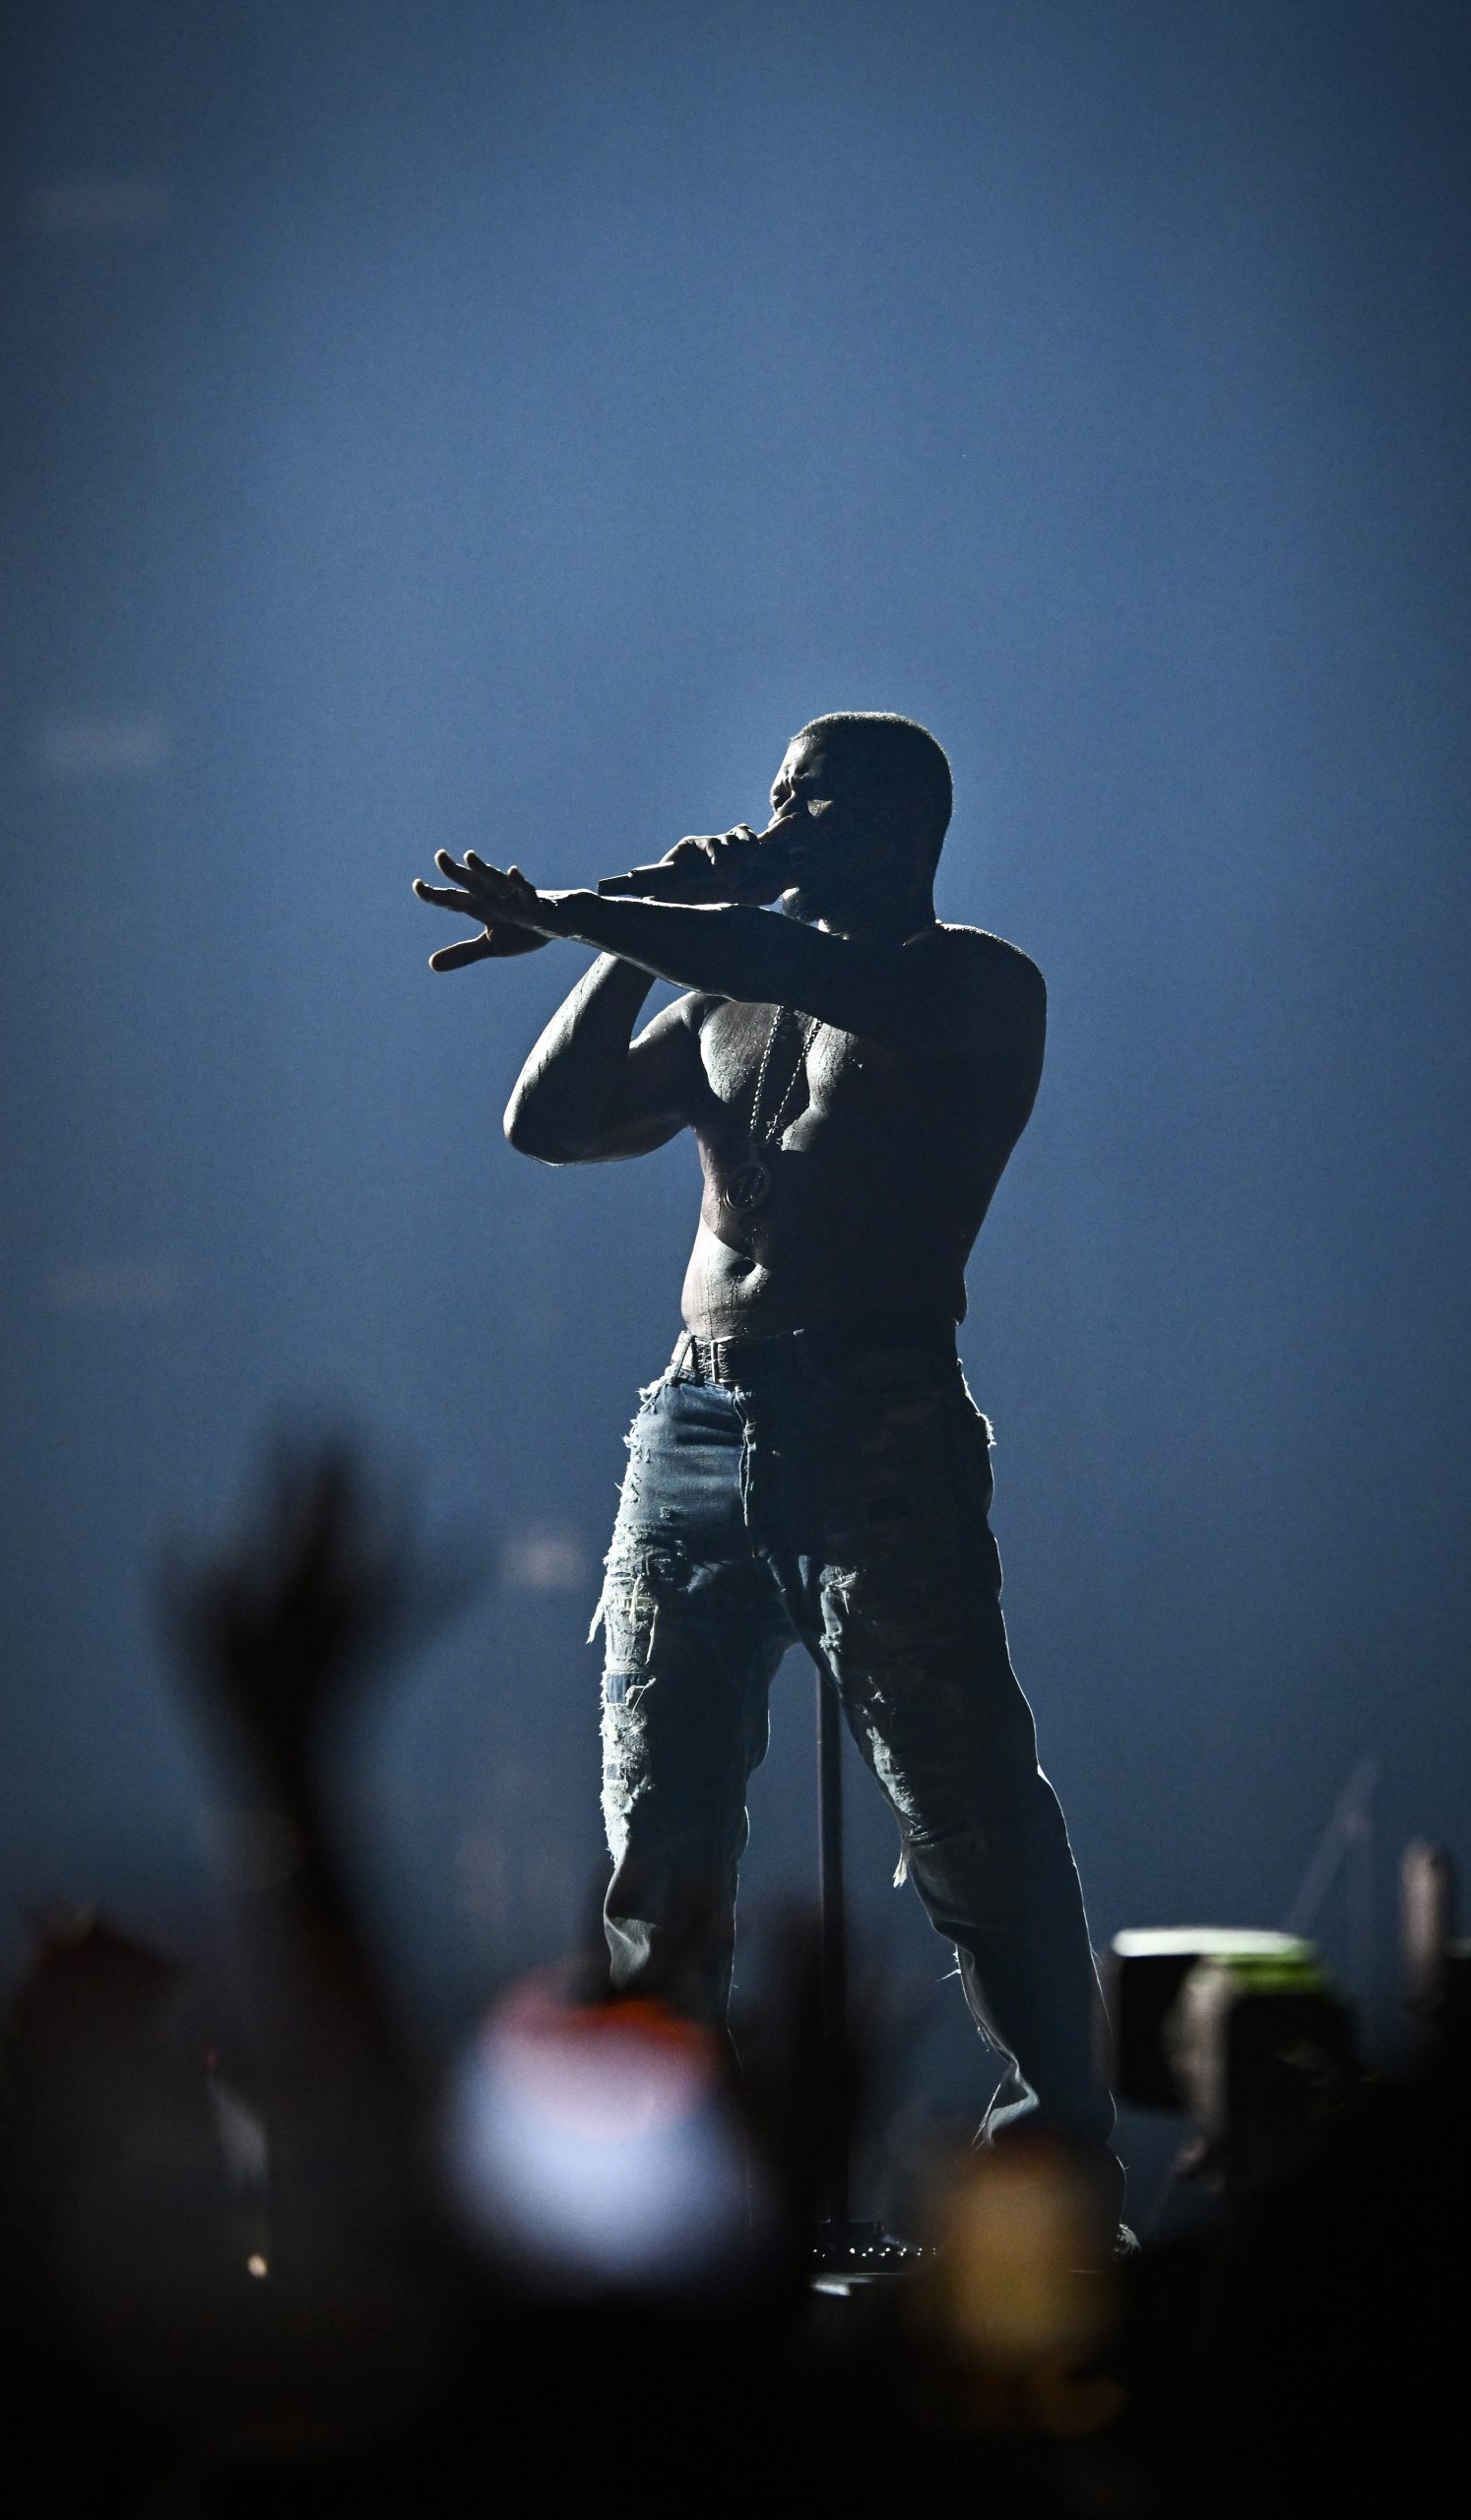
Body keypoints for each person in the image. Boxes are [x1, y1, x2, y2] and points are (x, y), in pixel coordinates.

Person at [415, 712, 1117, 2180]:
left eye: (811, 804)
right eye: (774, 798)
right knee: (655, 1827)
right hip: (695, 1415)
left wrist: (596, 907)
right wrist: (630, 932)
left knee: (964, 1809)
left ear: (900, 828)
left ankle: (1057, 2161)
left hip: (878, 1417)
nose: (776, 824)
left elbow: (795, 965)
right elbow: (547, 1120)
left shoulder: (970, 984)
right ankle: (673, 2183)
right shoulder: (722, 998)